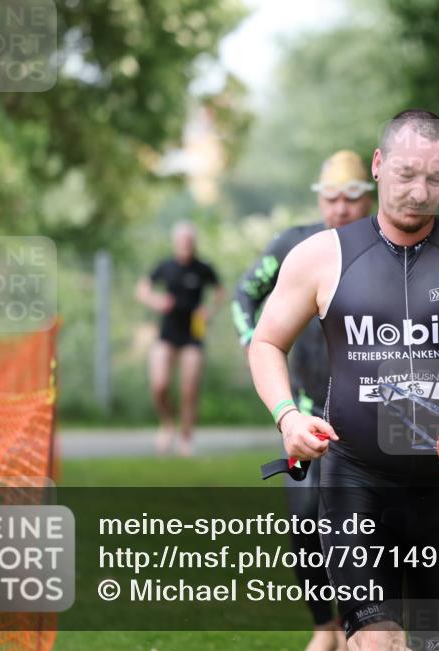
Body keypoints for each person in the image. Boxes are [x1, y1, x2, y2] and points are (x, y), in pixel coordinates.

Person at [248, 110, 439, 651]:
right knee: (376, 644)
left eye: (434, 178)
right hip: (355, 482)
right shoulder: (321, 256)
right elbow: (267, 342)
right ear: (379, 167)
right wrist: (286, 416)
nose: (419, 191)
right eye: (407, 174)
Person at [233, 150, 373, 651]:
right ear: (319, 197)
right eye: (331, 198)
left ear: (370, 199)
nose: (340, 209)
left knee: (374, 525)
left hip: (371, 416)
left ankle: (367, 627)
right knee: (304, 520)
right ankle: (325, 627)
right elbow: (244, 292)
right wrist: (256, 344)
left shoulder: (385, 247)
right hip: (308, 410)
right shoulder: (295, 243)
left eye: (352, 198)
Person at [135, 221, 225, 457]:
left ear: (194, 243)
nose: (185, 244)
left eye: (189, 240)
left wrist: (209, 310)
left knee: (189, 389)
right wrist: (156, 300)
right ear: (175, 243)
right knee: (160, 385)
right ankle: (167, 423)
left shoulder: (203, 268)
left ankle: (186, 436)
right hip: (167, 334)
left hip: (193, 335)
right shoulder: (165, 266)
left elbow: (220, 292)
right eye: (181, 240)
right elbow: (142, 289)